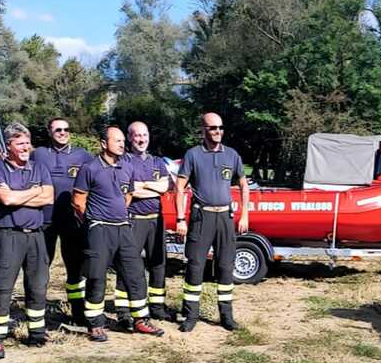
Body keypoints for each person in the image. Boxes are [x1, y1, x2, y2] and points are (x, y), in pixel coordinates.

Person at [72, 126, 164, 342]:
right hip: (99, 228)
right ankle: (95, 324)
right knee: (96, 276)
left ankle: (141, 319)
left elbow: (128, 195)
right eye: (117, 140)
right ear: (104, 143)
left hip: (123, 227)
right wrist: (93, 220)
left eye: (123, 140)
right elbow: (78, 201)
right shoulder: (90, 168)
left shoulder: (127, 167)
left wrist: (118, 211)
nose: (122, 144)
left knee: (136, 273)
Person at [176, 112, 250, 332]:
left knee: (226, 266)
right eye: (213, 128)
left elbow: (244, 185)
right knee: (195, 266)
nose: (218, 131)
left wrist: (245, 214)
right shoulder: (193, 154)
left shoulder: (232, 155)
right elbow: (179, 187)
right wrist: (180, 218)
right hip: (201, 217)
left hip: (225, 217)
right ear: (203, 130)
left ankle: (226, 317)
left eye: (220, 127)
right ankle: (190, 316)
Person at [0, 123, 54, 360]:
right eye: (20, 143)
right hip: (10, 235)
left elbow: (49, 197)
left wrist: (20, 195)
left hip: (36, 235)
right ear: (9, 146)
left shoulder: (40, 168)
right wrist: (34, 191)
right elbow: (6, 199)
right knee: (3, 287)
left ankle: (37, 333)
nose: (26, 148)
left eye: (28, 143)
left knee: (38, 286)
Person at [32, 117, 91, 327]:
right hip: (44, 220)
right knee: (40, 268)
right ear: (49, 132)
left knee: (75, 269)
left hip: (72, 222)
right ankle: (37, 313)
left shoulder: (83, 155)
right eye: (58, 129)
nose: (63, 133)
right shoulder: (38, 154)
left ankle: (78, 312)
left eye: (66, 129)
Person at [115, 121, 172, 325]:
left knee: (158, 263)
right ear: (130, 138)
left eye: (144, 135)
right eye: (137, 135)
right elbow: (129, 191)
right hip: (134, 220)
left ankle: (157, 307)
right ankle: (123, 310)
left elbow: (165, 187)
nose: (142, 139)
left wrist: (144, 185)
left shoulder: (157, 161)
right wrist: (151, 187)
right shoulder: (124, 160)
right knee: (128, 264)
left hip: (156, 219)